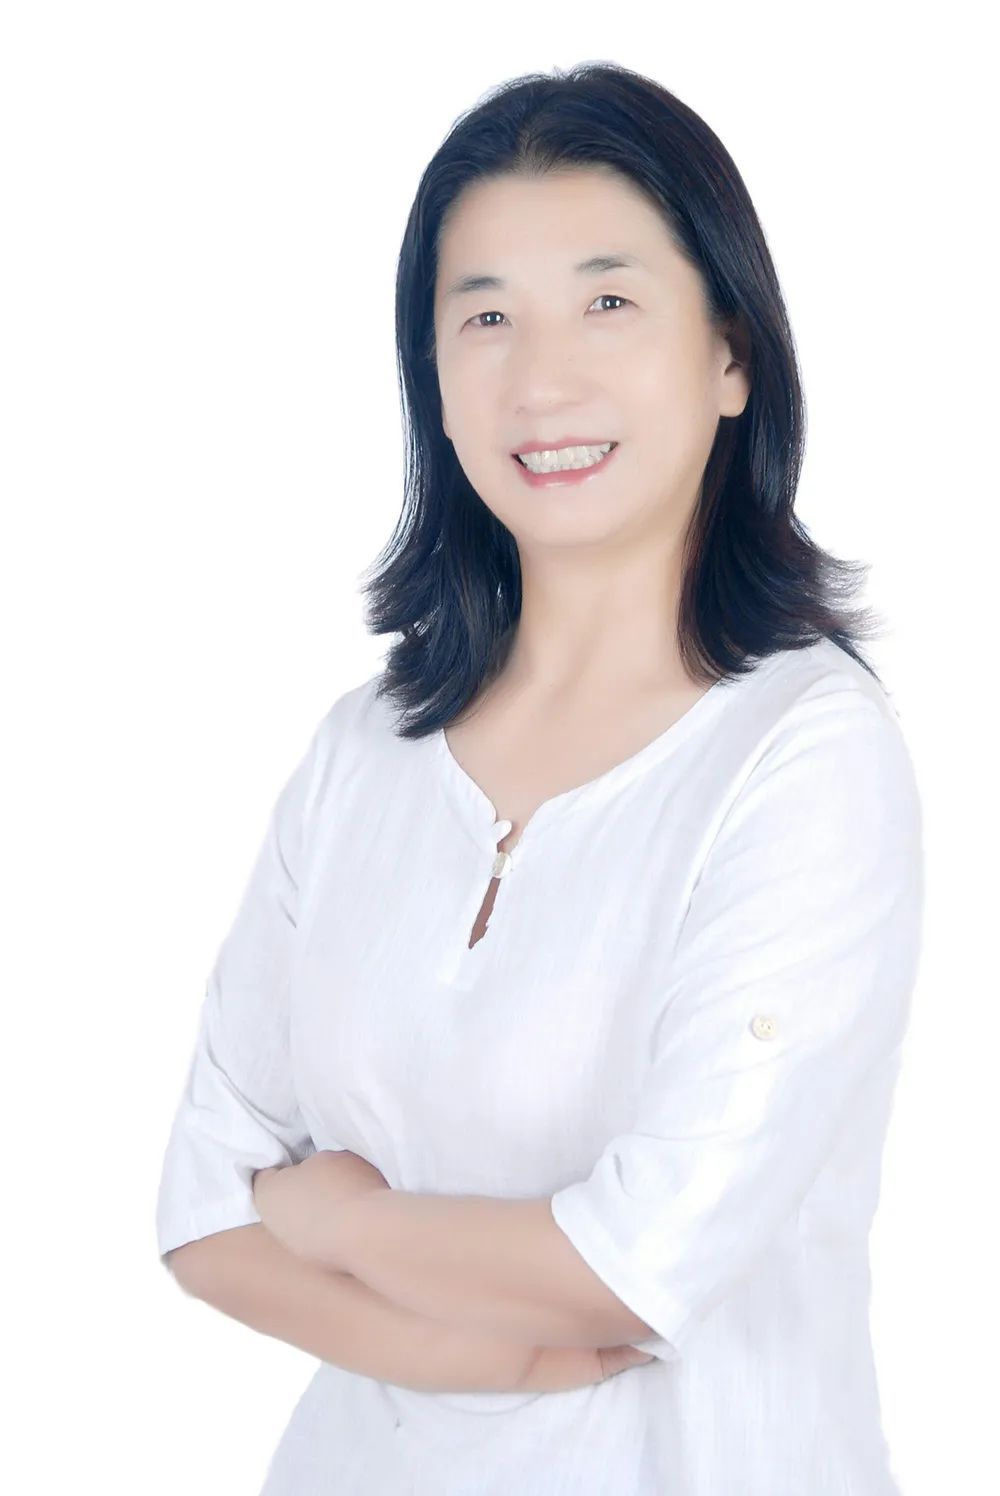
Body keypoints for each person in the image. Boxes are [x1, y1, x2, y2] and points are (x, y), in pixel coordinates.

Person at [154, 61, 924, 1495]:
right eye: (487, 316)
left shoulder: (805, 751)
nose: (541, 378)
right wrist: (492, 1361)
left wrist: (339, 1220)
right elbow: (205, 1216)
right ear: (434, 382)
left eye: (608, 302)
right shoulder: (363, 750)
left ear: (732, 356)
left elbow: (632, 1265)